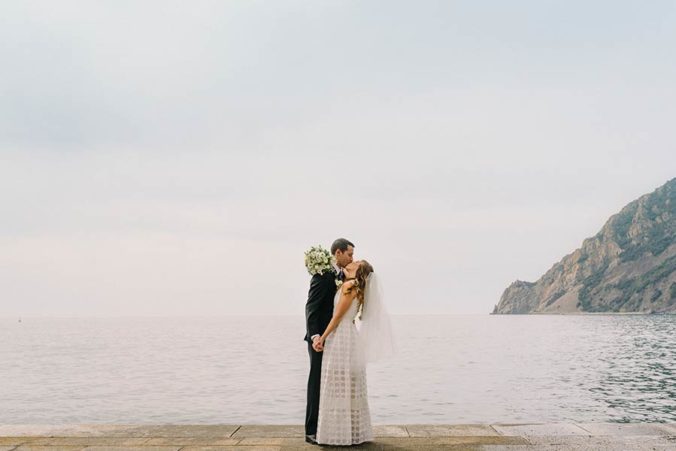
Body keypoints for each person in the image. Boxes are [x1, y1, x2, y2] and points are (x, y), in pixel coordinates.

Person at [314, 259, 394, 446]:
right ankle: (353, 433)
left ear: (359, 271)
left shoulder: (349, 286)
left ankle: (336, 434)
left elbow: (337, 316)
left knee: (336, 383)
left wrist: (322, 337)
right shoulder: (357, 288)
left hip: (340, 336)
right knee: (348, 384)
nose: (353, 260)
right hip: (350, 335)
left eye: (357, 262)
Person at [303, 238, 354, 444]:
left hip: (334, 338)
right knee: (316, 382)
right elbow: (311, 309)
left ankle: (328, 428)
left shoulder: (341, 276)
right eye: (349, 254)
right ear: (338, 252)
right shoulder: (322, 275)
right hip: (319, 339)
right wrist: (316, 337)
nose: (352, 258)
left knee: (330, 385)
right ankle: (311, 431)